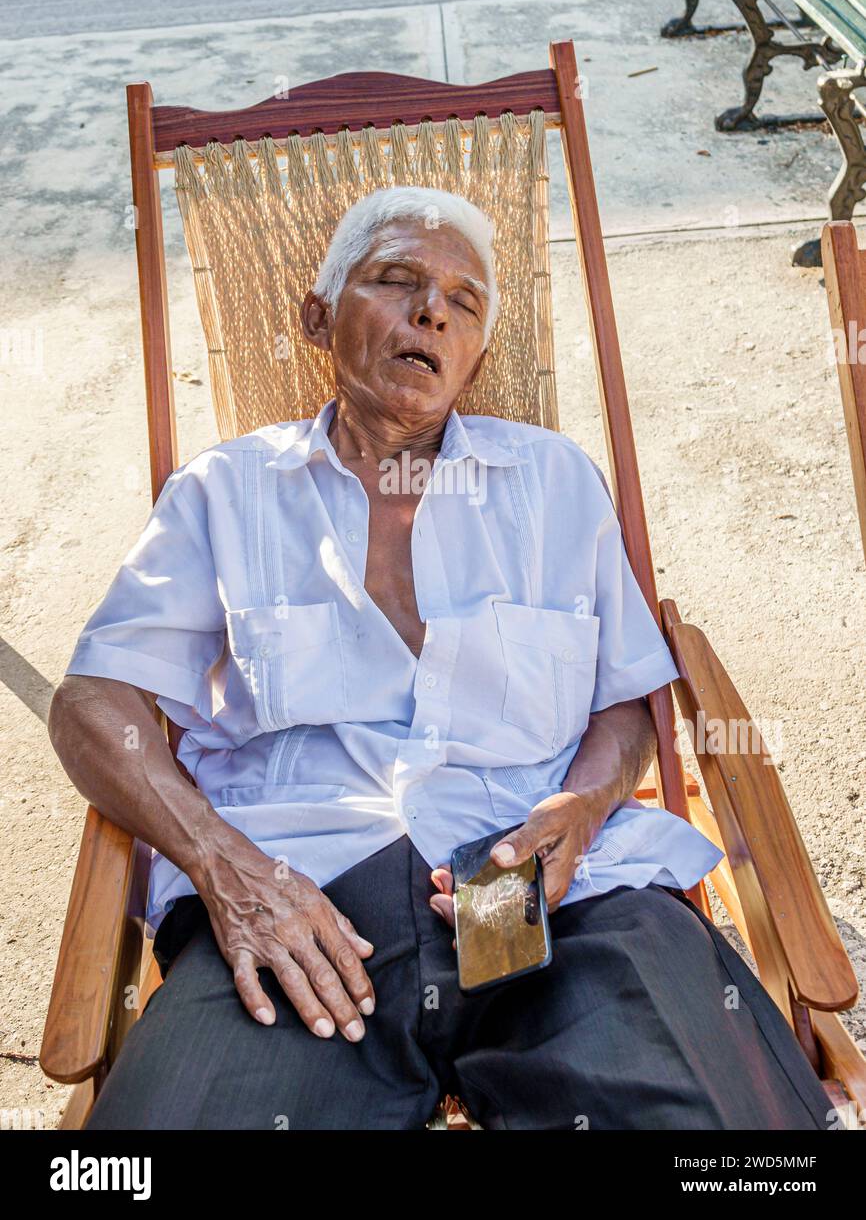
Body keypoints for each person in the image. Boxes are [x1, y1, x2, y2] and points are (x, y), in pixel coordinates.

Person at [49, 187, 831, 1130]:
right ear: (316, 315)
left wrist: (577, 815)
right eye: (396, 280)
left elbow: (624, 705)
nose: (433, 311)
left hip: (547, 901)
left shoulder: (552, 482)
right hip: (301, 908)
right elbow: (97, 702)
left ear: (476, 356)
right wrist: (225, 867)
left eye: (464, 303)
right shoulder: (226, 491)